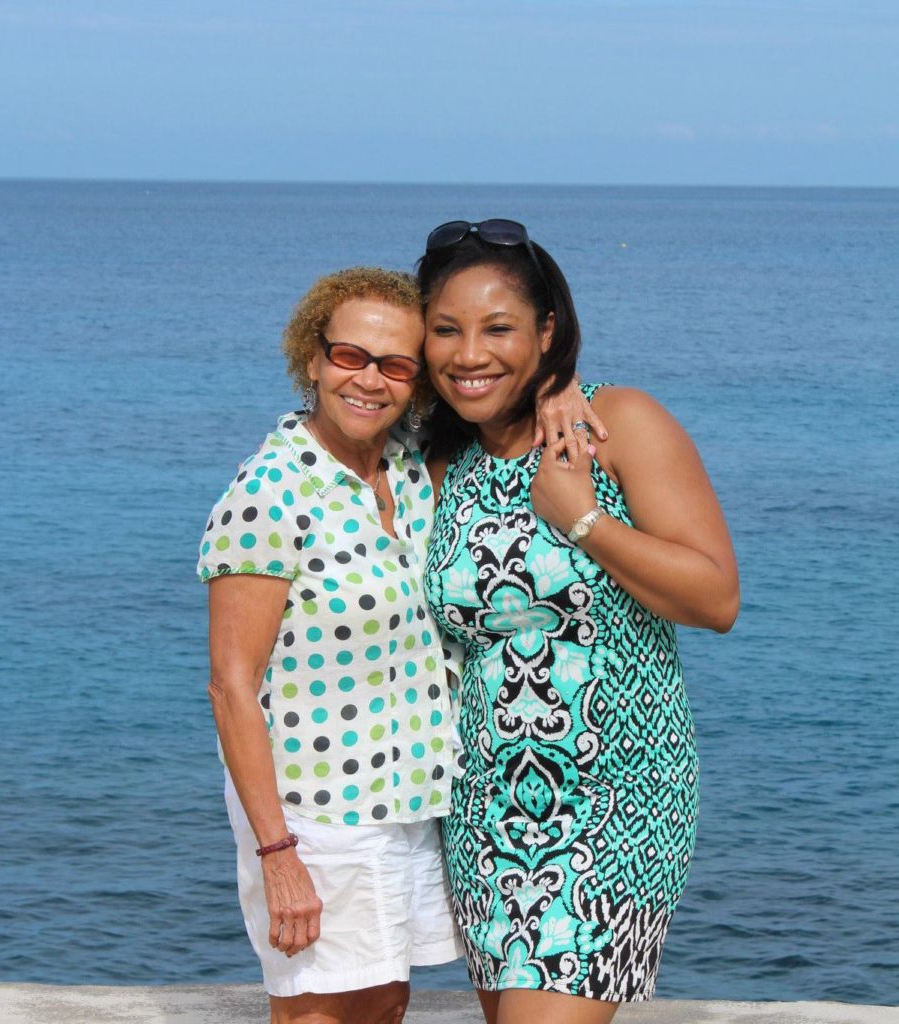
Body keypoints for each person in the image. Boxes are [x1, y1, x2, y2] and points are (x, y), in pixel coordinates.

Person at [197, 265, 602, 1024]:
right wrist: (278, 855)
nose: (368, 381)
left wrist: (560, 384)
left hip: (412, 804)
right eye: (349, 356)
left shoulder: (409, 466)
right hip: (317, 818)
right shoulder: (271, 492)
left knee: (383, 1004)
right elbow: (230, 684)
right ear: (312, 357)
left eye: (395, 365)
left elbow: (494, 387)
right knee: (319, 1012)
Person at [417, 220, 740, 1024]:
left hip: (616, 802)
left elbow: (715, 598)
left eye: (500, 329)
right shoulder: (437, 463)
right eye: (446, 330)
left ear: (547, 332)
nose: (470, 354)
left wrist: (583, 519)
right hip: (487, 806)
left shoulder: (613, 424)